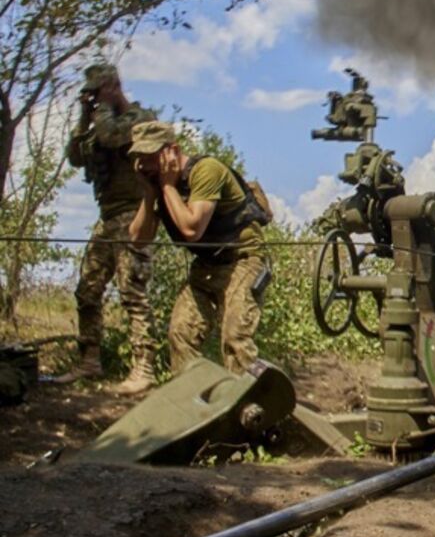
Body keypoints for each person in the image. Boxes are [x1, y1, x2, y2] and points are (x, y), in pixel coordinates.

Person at [127, 122, 272, 374]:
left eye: (150, 156)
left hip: (243, 261)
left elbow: (192, 230)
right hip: (206, 267)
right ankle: (193, 402)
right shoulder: (160, 185)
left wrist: (168, 186)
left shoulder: (206, 171)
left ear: (172, 151)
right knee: (180, 333)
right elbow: (138, 239)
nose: (144, 164)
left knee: (234, 338)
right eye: (139, 157)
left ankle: (247, 407)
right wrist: (150, 193)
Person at [54, 63, 157, 392]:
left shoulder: (140, 119)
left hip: (133, 213)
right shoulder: (98, 121)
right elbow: (75, 156)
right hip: (108, 215)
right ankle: (89, 362)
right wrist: (84, 116)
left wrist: (99, 111)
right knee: (88, 289)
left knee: (132, 292)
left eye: (99, 91)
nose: (95, 99)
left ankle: (144, 368)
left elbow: (111, 137)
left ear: (114, 86)